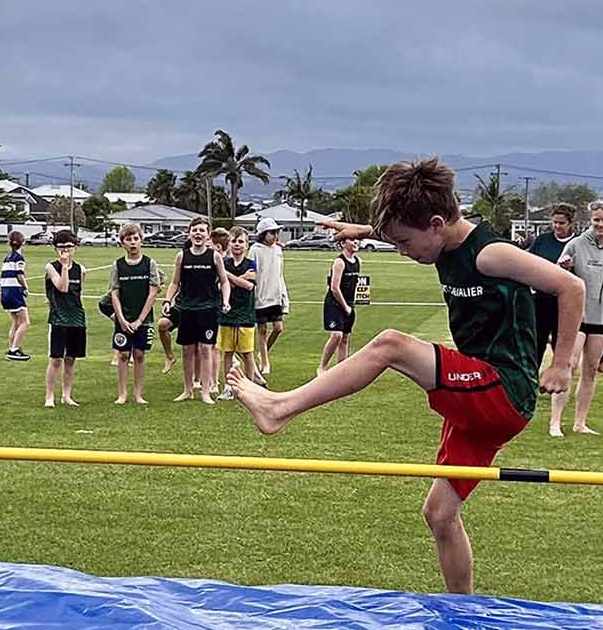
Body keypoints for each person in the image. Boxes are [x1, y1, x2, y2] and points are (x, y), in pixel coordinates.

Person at [232, 160, 580, 595]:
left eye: (404, 242)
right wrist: (362, 230)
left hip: (502, 390)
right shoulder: (438, 237)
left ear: (436, 224)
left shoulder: (490, 254)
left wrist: (562, 362)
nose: (402, 251)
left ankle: (280, 407)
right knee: (439, 513)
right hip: (479, 402)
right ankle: (462, 610)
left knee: (391, 345)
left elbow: (571, 287)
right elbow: (403, 230)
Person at [550, 200, 603, 436]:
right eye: (596, 220)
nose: (600, 224)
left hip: (601, 318)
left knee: (591, 370)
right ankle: (555, 422)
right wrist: (564, 267)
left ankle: (580, 423)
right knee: (569, 365)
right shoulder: (576, 245)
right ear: (590, 220)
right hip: (576, 316)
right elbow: (558, 276)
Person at [108, 222, 161, 405]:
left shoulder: (149, 264)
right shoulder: (118, 265)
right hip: (124, 318)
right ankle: (122, 394)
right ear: (122, 243)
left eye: (135, 239)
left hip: (143, 320)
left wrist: (140, 319)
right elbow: (114, 293)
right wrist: (121, 319)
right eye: (128, 239)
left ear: (141, 241)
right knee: (123, 354)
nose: (132, 243)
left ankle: (138, 394)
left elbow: (153, 292)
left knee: (139, 354)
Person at [169, 217, 221, 403]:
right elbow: (175, 282)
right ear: (189, 233)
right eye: (195, 230)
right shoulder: (181, 256)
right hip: (187, 309)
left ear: (208, 236)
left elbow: (224, 281)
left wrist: (226, 300)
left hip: (208, 310)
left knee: (206, 349)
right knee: (187, 350)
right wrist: (168, 299)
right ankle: (188, 389)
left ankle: (205, 391)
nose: (198, 233)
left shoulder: (214, 256)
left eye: (202, 230)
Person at [526, 204, 575, 368]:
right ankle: (531, 381)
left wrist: (571, 268)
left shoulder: (578, 243)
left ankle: (559, 381)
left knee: (561, 344)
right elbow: (530, 264)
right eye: (555, 222)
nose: (557, 226)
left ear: (570, 223)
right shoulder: (542, 241)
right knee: (537, 343)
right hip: (541, 299)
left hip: (565, 301)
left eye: (561, 223)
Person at [41, 229, 86, 407]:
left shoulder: (81, 269)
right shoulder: (51, 267)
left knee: (71, 359)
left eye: (69, 247)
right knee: (56, 358)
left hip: (76, 318)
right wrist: (65, 267)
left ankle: (67, 395)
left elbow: (76, 293)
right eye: (61, 247)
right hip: (58, 319)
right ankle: (49, 396)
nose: (65, 251)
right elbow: (62, 287)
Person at [214, 226, 259, 397]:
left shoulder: (251, 264)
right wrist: (238, 278)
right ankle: (229, 387)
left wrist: (229, 277)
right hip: (227, 315)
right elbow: (222, 285)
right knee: (227, 353)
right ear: (229, 244)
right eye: (234, 241)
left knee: (247, 354)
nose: (237, 244)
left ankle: (249, 388)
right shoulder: (224, 264)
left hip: (246, 315)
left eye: (241, 241)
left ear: (246, 245)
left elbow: (249, 286)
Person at [320, 233, 363, 373]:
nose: (355, 242)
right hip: (335, 304)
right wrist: (345, 306)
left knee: (345, 338)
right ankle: (322, 367)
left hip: (349, 305)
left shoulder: (358, 261)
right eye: (352, 239)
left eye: (357, 239)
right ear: (343, 244)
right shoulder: (339, 262)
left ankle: (341, 370)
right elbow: (334, 288)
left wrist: (352, 304)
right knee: (336, 335)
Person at [250, 225, 289, 380]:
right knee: (262, 329)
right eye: (272, 232)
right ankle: (265, 362)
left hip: (275, 295)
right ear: (263, 234)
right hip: (261, 296)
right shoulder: (255, 250)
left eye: (276, 232)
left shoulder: (278, 251)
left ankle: (262, 352)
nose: (275, 236)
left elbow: (279, 274)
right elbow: (253, 272)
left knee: (278, 328)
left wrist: (283, 294)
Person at [0, 231, 30, 361]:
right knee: (25, 322)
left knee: (16, 322)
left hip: (5, 293)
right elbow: (19, 275)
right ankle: (14, 350)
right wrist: (25, 287)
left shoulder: (7, 257)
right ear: (23, 242)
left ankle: (12, 346)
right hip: (14, 292)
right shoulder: (19, 258)